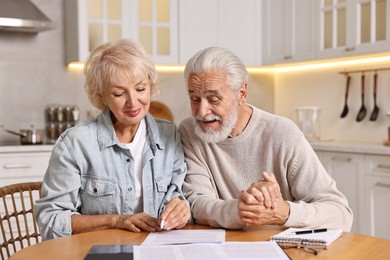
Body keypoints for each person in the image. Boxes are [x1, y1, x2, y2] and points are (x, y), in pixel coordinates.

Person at [178, 46, 353, 232]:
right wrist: (242, 209)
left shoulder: (282, 133)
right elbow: (196, 203)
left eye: (213, 99)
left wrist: (284, 212)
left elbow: (340, 213)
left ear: (242, 94)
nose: (202, 112)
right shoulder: (190, 132)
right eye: (195, 99)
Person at [34, 39, 190, 240]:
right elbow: (51, 220)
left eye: (140, 89)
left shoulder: (170, 136)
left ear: (151, 86)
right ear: (102, 96)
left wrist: (182, 208)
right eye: (118, 93)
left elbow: (180, 196)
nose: (133, 102)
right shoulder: (75, 144)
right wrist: (116, 221)